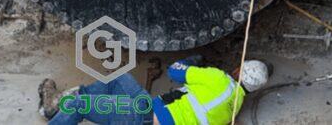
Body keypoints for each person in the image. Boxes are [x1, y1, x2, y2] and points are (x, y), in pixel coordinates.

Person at [38, 57, 270, 125]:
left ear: (238, 69)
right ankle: (60, 106)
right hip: (149, 112)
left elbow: (175, 72)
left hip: (144, 116)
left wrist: (192, 61)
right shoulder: (234, 109)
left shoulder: (218, 78)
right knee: (121, 79)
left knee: (80, 104)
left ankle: (54, 108)